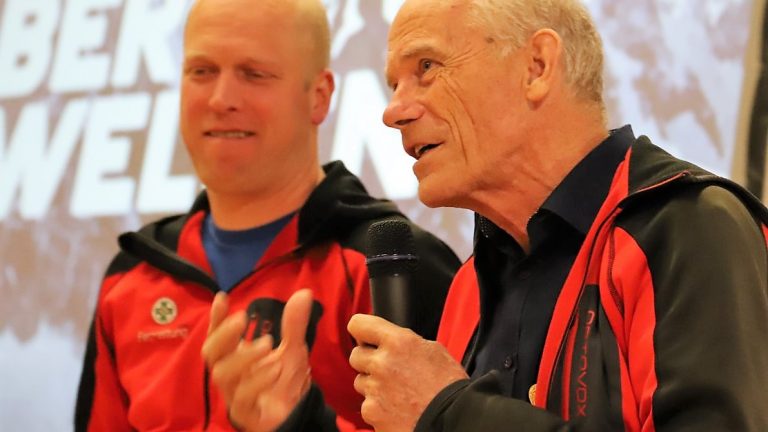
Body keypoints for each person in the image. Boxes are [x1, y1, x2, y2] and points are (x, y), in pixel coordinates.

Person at [345, 0, 768, 431]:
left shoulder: (691, 226)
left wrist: (453, 414)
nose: (393, 112)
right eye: (394, 84)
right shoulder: (468, 287)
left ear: (537, 66)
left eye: (427, 67)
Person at [73, 0, 460, 430]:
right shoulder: (130, 277)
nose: (221, 99)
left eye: (254, 74)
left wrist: (298, 422)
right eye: (201, 71)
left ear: (319, 97)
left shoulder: (393, 268)